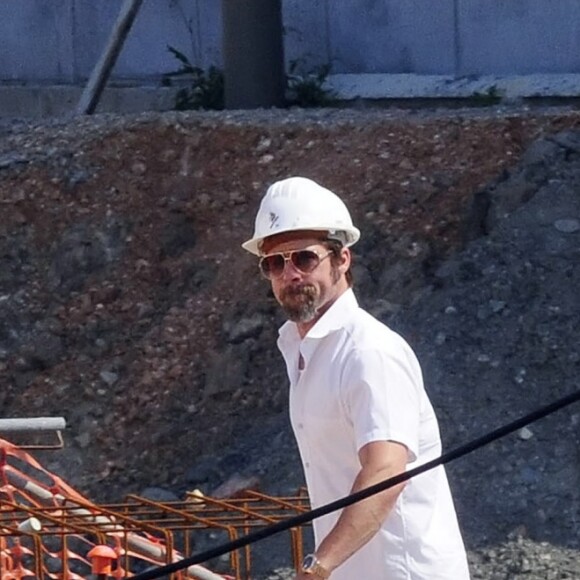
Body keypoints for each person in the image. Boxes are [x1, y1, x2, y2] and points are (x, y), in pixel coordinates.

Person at [242, 176, 470, 580]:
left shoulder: (368, 352)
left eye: (304, 258)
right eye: (275, 263)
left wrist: (318, 565)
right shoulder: (305, 352)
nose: (289, 273)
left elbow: (386, 471)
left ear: (342, 259)